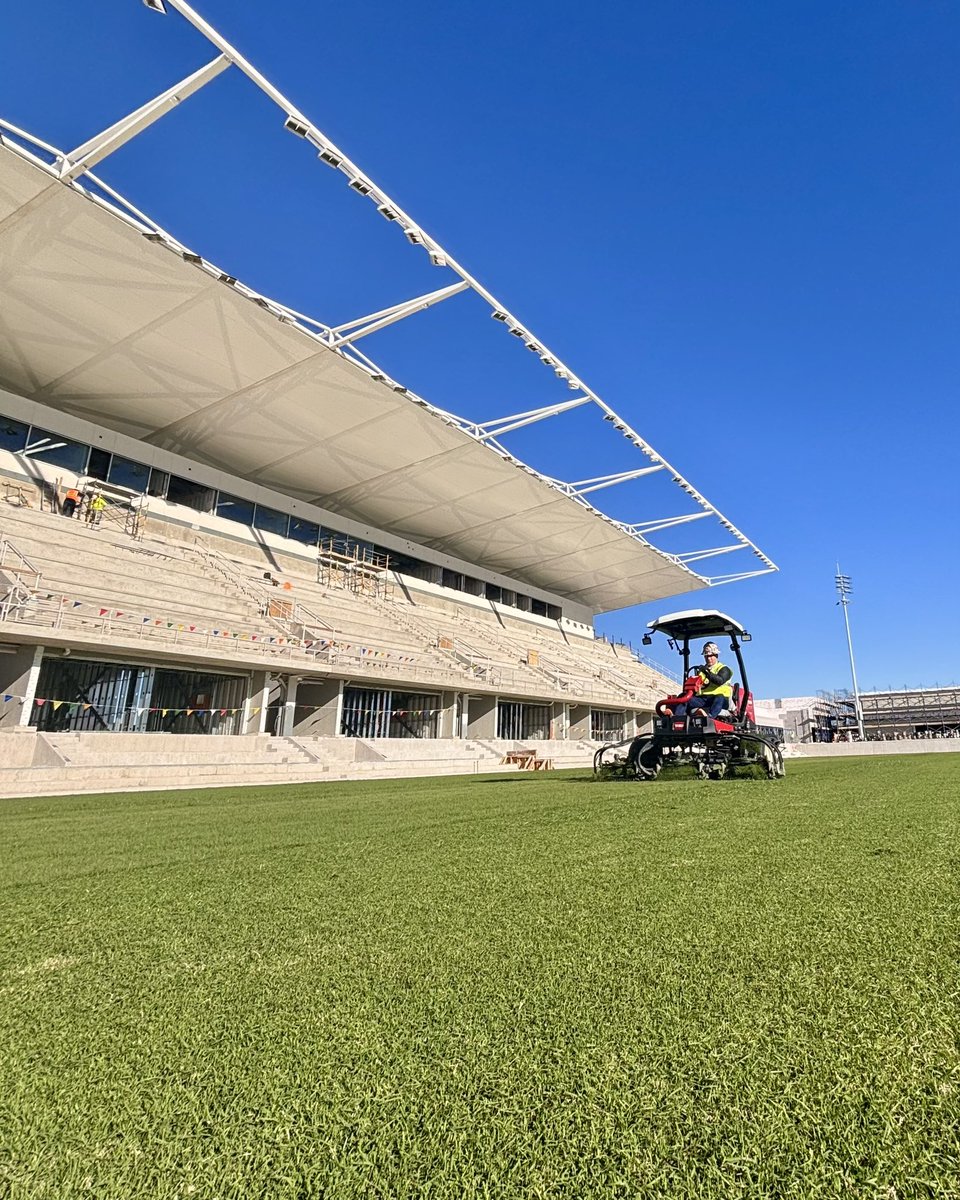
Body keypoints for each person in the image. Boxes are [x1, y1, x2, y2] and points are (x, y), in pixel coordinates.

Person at [669, 642, 734, 719]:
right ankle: (676, 718)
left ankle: (709, 718)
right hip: (703, 699)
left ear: (716, 655)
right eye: (706, 656)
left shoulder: (724, 669)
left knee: (719, 697)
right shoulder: (701, 671)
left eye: (711, 656)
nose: (708, 658)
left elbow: (720, 681)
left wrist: (706, 672)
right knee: (684, 697)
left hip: (721, 701)